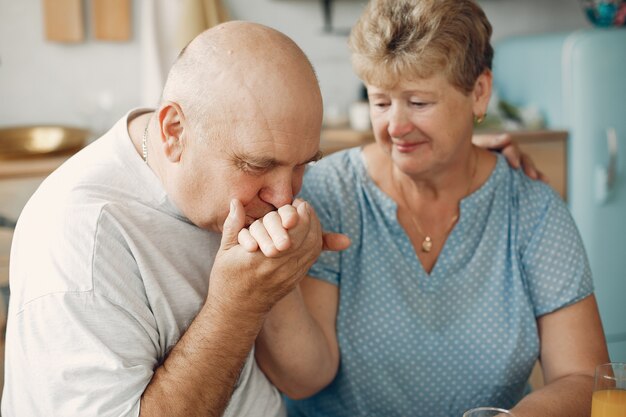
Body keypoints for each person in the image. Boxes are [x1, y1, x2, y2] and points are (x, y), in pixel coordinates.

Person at [248, 1, 610, 416]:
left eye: (419, 103)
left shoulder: (532, 208)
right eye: (381, 102)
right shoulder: (330, 194)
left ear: (479, 93)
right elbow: (303, 378)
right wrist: (275, 277)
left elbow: (581, 378)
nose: (395, 127)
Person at [1, 21, 351, 417]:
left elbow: (303, 380)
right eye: (257, 165)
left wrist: (279, 278)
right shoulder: (81, 239)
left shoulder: (235, 185)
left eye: (302, 164)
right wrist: (237, 307)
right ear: (174, 131)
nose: (284, 197)